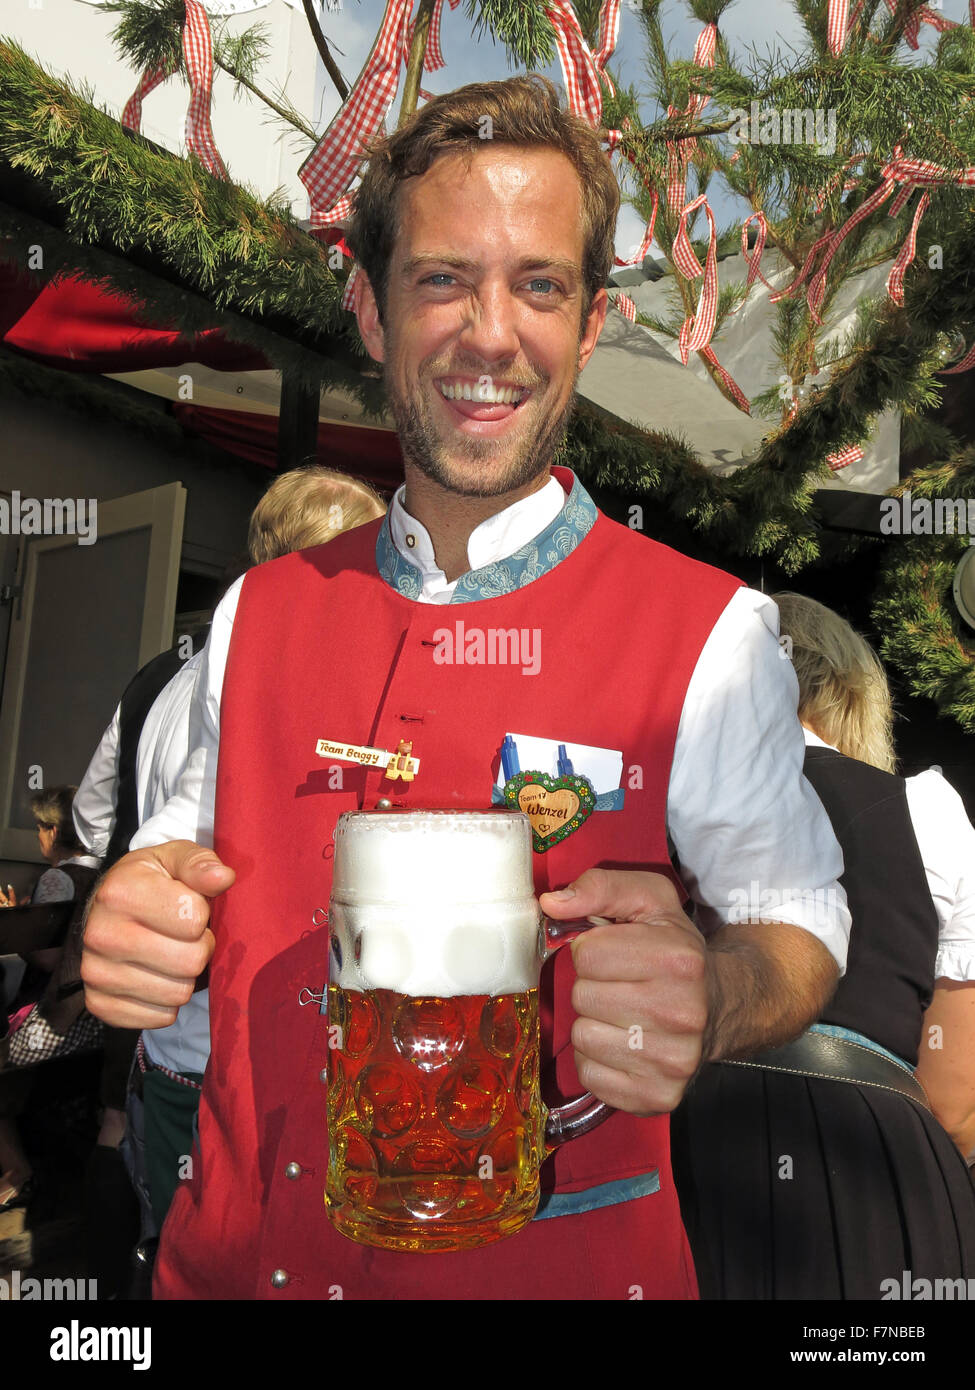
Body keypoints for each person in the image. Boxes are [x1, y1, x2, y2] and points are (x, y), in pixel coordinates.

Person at [81, 76, 851, 1301]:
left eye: (539, 284)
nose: (490, 333)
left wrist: (714, 991)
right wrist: (133, 916)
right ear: (375, 316)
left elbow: (800, 921)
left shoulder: (711, 631)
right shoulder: (255, 611)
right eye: (442, 278)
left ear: (590, 324)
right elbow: (179, 860)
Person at [73, 468, 386, 1255]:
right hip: (241, 1054)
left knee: (167, 1233)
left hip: (156, 1031)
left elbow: (91, 823)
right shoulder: (293, 682)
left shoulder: (158, 680)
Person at [670, 592, 975, 1299]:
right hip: (880, 1173)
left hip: (691, 1146)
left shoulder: (657, 798)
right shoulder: (928, 811)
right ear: (847, 692)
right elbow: (955, 1102)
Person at [0, 787, 100, 1209]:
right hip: (95, 1023)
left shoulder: (58, 877)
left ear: (52, 830)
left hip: (60, 1019)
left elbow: (48, 958)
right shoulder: (104, 871)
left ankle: (15, 1170)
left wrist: (14, 929)